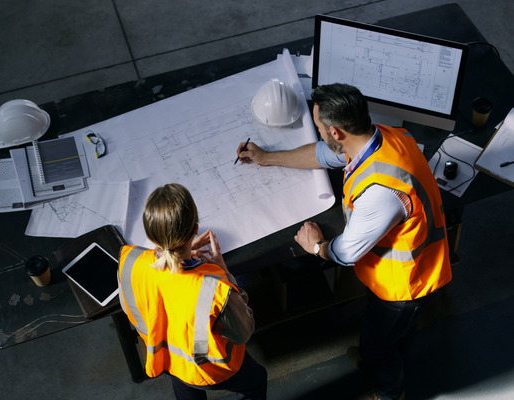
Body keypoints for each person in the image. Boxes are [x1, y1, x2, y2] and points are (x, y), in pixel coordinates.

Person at [236, 83, 452, 400]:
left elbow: (346, 253)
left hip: (405, 287)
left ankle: (390, 392)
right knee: (393, 335)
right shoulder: (383, 137)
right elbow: (324, 154)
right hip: (415, 269)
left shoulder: (382, 192)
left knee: (378, 346)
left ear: (337, 132)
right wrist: (267, 158)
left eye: (320, 128)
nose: (319, 134)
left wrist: (315, 245)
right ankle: (390, 351)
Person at [118, 183, 267, 400]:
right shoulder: (214, 289)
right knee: (255, 382)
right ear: (195, 228)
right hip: (210, 371)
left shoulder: (131, 261)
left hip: (169, 361)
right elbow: (244, 332)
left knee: (188, 392)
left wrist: (181, 254)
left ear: (151, 236)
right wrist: (223, 271)